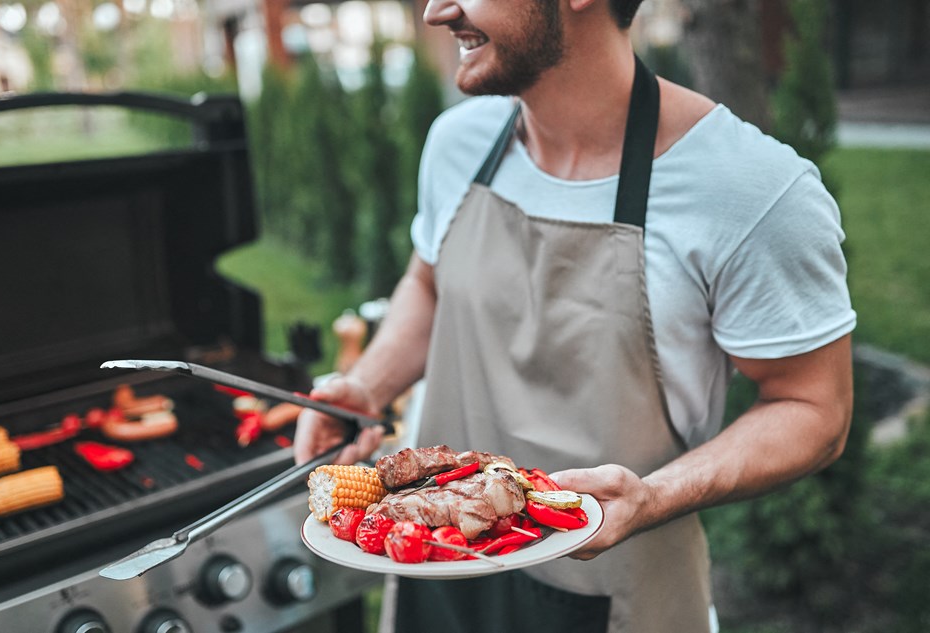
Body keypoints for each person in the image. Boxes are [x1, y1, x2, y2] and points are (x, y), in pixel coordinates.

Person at [293, 0, 855, 630]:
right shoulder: (459, 141)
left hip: (618, 592)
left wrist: (655, 496)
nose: (435, 11)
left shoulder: (750, 189)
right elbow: (429, 282)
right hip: (435, 569)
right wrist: (370, 384)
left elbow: (815, 409)